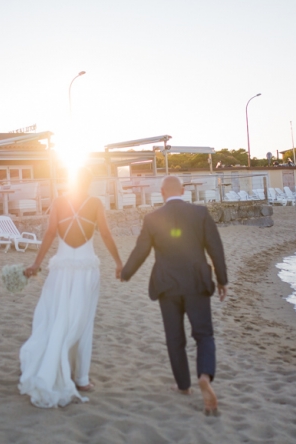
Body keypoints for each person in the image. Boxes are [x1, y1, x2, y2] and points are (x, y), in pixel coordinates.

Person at [121, 176, 227, 415]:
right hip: (196, 283)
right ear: (182, 190)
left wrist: (126, 273)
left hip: (167, 285)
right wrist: (222, 280)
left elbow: (141, 250)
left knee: (174, 338)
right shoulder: (200, 213)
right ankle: (204, 376)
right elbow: (215, 248)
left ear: (162, 193)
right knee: (204, 335)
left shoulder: (152, 218)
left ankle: (183, 386)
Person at [19, 168, 123, 408]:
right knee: (84, 322)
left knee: (56, 317)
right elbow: (105, 234)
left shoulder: (58, 202)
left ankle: (53, 366)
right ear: (89, 182)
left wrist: (37, 263)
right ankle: (82, 378)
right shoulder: (95, 203)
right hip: (86, 269)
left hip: (61, 270)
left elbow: (50, 232)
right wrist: (118, 262)